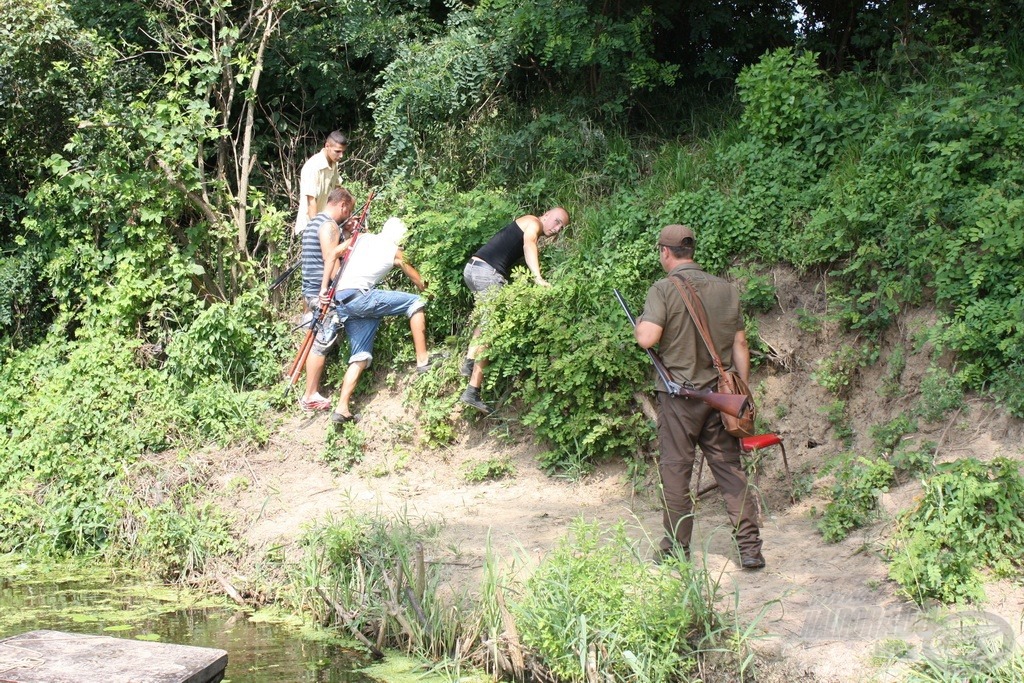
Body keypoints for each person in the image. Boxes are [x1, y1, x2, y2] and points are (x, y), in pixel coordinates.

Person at [633, 224, 765, 570]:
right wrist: (735, 392)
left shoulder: (662, 289)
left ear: (665, 252)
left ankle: (676, 549)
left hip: (680, 399)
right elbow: (740, 345)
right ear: (691, 251)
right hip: (720, 397)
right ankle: (750, 549)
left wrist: (638, 325)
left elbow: (647, 339)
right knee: (731, 472)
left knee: (676, 472)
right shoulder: (726, 289)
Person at [459, 208, 570, 414]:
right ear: (545, 214)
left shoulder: (523, 223)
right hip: (487, 273)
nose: (556, 229)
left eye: (561, 227)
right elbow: (529, 244)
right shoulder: (533, 223)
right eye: (556, 222)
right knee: (491, 330)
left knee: (485, 321)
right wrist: (538, 277)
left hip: (473, 269)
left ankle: (469, 361)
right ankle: (472, 391)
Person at [328, 217, 437, 424]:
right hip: (361, 297)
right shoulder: (394, 249)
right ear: (400, 238)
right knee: (415, 302)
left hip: (342, 300)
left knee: (360, 356)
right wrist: (429, 291)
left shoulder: (362, 238)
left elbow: (343, 255)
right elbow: (416, 279)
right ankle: (423, 361)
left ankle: (342, 409)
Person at [299, 187, 355, 412]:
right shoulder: (329, 226)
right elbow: (331, 261)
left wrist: (347, 233)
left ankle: (309, 387)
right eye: (348, 210)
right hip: (320, 294)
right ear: (342, 205)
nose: (349, 215)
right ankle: (310, 394)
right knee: (322, 341)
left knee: (314, 339)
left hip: (309, 291)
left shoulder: (314, 222)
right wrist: (344, 287)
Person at [293, 131, 347, 235]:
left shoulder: (334, 164)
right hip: (310, 227)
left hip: (326, 225)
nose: (341, 156)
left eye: (343, 152)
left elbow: (337, 191)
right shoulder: (313, 166)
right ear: (327, 146)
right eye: (338, 151)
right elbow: (311, 202)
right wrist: (317, 230)